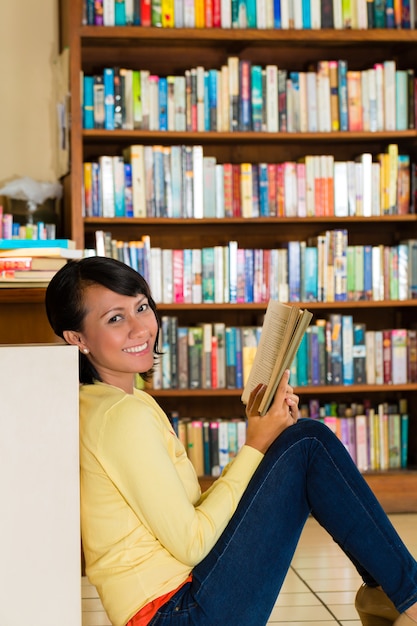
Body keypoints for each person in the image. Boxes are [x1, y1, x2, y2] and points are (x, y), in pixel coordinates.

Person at [45, 255, 417, 626]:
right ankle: (401, 600)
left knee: (300, 446)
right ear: (77, 338)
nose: (139, 328)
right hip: (175, 615)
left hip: (176, 601)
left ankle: (392, 598)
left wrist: (262, 444)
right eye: (115, 318)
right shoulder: (121, 416)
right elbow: (192, 542)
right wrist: (255, 446)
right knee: (308, 444)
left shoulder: (110, 403)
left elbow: (184, 518)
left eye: (141, 307)